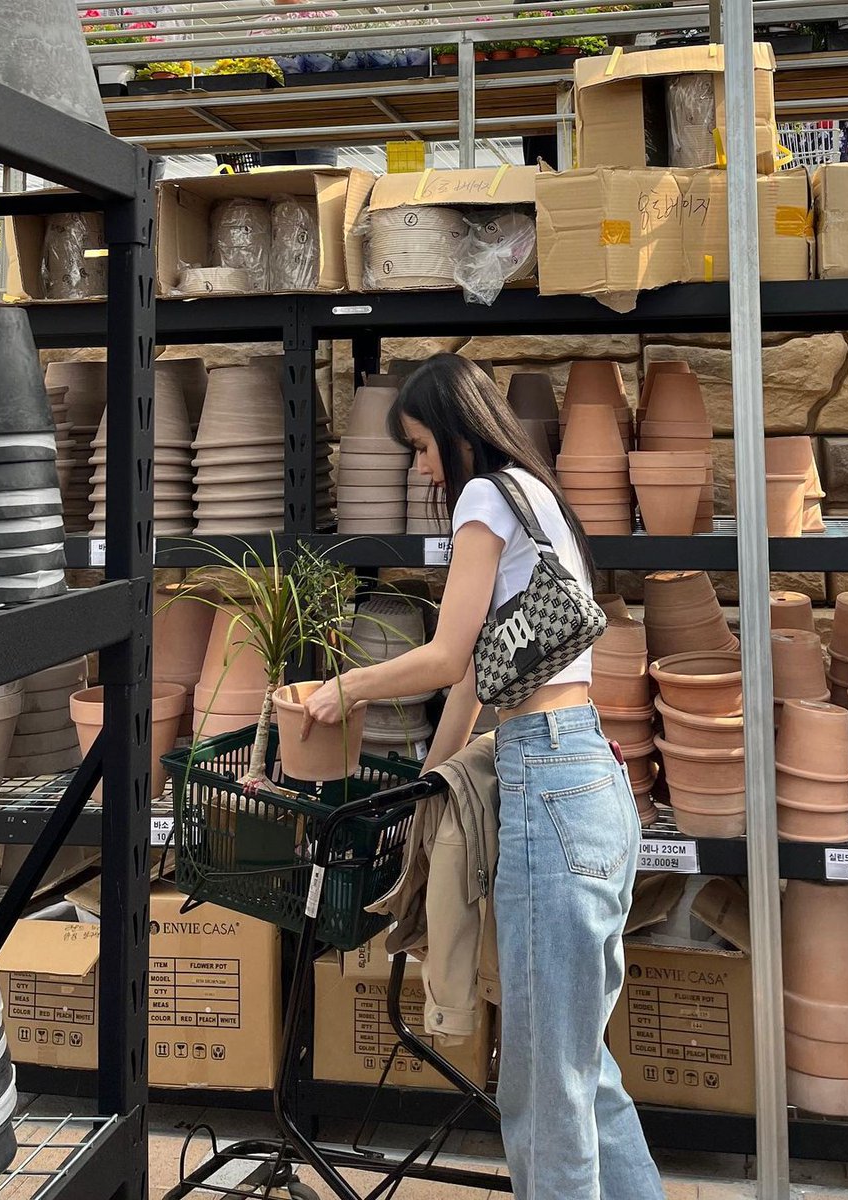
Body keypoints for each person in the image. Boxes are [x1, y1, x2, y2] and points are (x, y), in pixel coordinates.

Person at [305, 355, 664, 1200]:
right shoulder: (539, 500)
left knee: (544, 1093)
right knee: (582, 1073)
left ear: (457, 432)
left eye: (423, 446)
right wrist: (428, 788)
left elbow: (443, 658)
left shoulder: (483, 496)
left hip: (548, 784)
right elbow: (477, 676)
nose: (422, 469)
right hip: (593, 778)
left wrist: (345, 687)